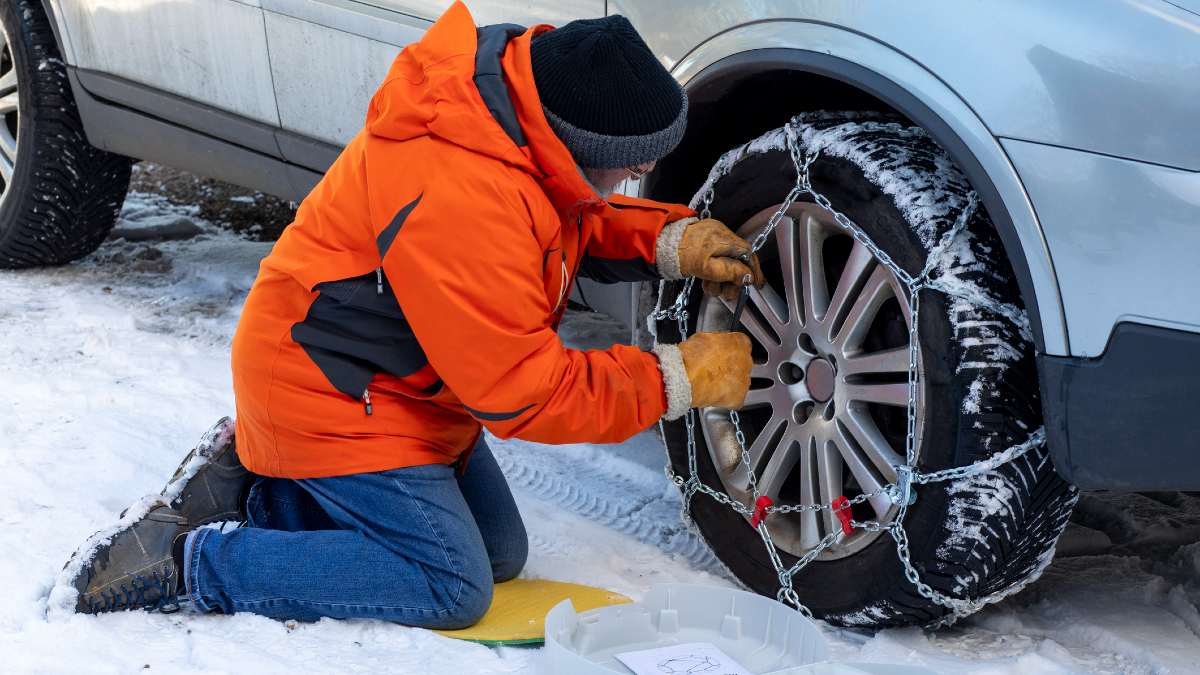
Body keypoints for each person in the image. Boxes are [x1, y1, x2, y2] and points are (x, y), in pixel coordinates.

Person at [68, 1, 762, 628]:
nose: (630, 183)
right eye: (625, 169)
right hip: (328, 392)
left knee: (500, 552)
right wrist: (677, 378)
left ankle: (264, 488)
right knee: (452, 583)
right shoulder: (463, 195)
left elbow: (564, 212)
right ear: (579, 147)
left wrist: (668, 241)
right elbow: (525, 392)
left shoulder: (516, 110)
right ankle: (191, 557)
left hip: (401, 386)